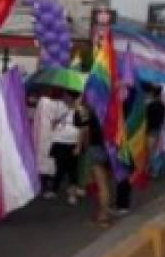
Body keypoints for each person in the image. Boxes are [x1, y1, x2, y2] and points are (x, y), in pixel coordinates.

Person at [74, 99, 112, 227]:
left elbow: (80, 124)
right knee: (105, 182)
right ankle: (103, 211)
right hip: (110, 148)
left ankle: (103, 216)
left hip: (95, 148)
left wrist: (78, 106)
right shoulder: (111, 105)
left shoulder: (88, 109)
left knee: (101, 185)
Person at [34, 90, 71, 198]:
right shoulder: (62, 104)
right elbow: (63, 118)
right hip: (55, 134)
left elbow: (37, 116)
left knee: (43, 157)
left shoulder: (43, 101)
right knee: (51, 159)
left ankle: (42, 184)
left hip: (43, 133)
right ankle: (49, 183)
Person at [49, 90, 82, 204]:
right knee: (59, 167)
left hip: (72, 143)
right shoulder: (63, 108)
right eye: (64, 96)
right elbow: (54, 123)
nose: (64, 98)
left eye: (67, 96)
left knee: (72, 170)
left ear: (72, 97)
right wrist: (55, 123)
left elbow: (82, 130)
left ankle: (72, 195)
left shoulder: (79, 111)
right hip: (59, 141)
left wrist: (78, 146)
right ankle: (54, 190)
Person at [145, 86, 165, 175]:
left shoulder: (150, 106)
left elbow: (146, 119)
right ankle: (158, 169)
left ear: (152, 94)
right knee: (159, 151)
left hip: (151, 130)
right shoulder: (163, 106)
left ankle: (153, 170)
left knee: (151, 152)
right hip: (161, 129)